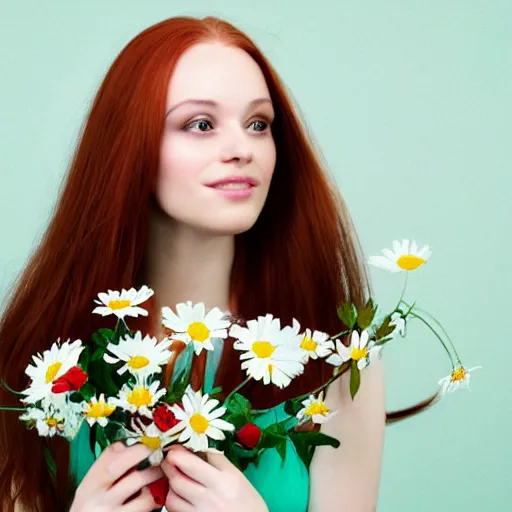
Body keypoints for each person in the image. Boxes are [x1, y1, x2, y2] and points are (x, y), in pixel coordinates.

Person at [0, 15, 437, 512]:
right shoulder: (37, 358)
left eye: (258, 124)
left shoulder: (339, 364)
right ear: (129, 146)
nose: (241, 150)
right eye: (200, 124)